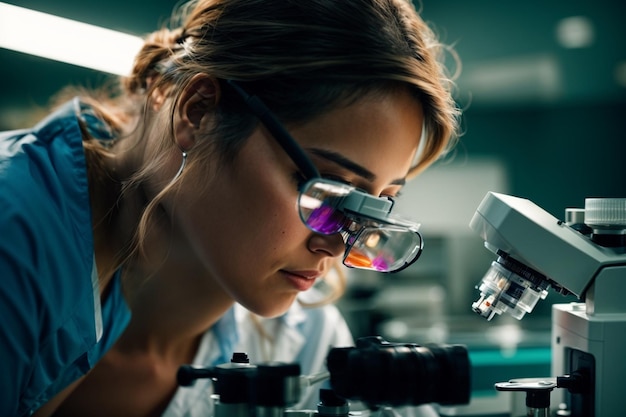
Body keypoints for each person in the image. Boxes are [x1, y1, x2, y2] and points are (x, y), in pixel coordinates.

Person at [0, 0, 460, 416]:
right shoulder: (17, 236)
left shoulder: (303, 339)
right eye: (327, 190)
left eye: (375, 206)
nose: (337, 246)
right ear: (198, 112)